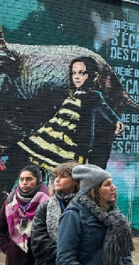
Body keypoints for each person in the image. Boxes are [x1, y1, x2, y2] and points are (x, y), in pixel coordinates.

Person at [0, 58, 124, 192]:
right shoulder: (71, 95)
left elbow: (106, 111)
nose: (77, 77)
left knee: (58, 180)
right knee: (19, 153)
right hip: (49, 137)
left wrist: (116, 122)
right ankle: (5, 191)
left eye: (82, 73)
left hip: (66, 145)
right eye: (74, 73)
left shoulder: (94, 96)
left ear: (93, 77)